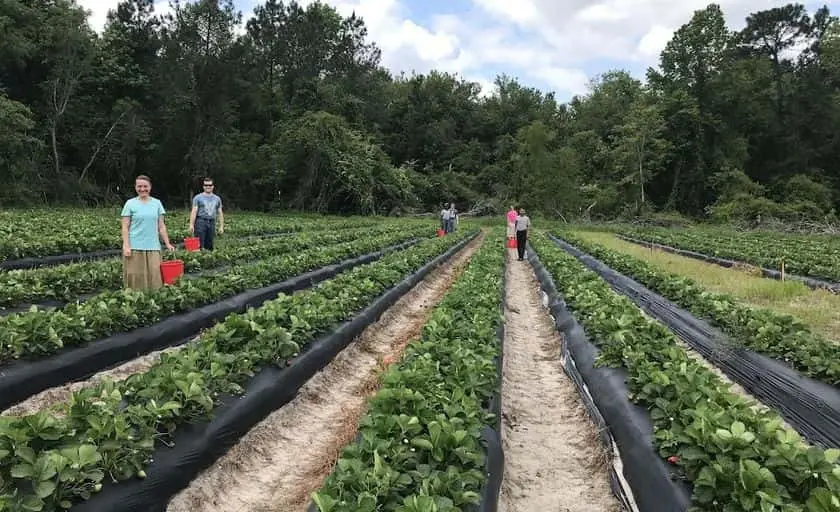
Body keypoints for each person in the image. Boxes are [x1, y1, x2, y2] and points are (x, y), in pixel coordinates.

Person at [121, 175, 175, 290]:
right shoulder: (130, 204)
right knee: (136, 277)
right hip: (135, 246)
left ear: (150, 187)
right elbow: (125, 227)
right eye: (139, 186)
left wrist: (167, 243)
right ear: (135, 187)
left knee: (155, 277)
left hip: (153, 246)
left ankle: (153, 301)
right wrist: (126, 245)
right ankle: (136, 300)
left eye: (145, 186)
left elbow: (161, 226)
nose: (142, 189)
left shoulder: (157, 203)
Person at [189, 177, 224, 250]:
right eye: (206, 185)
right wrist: (191, 225)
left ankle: (208, 258)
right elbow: (194, 211)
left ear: (213, 186)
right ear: (203, 186)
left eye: (210, 185)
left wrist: (221, 226)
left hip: (211, 222)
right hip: (200, 221)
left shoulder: (217, 198)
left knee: (210, 243)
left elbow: (220, 212)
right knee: (199, 243)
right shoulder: (198, 197)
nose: (208, 187)